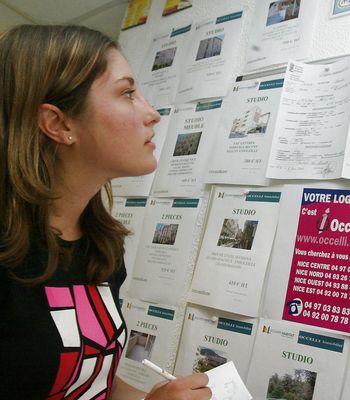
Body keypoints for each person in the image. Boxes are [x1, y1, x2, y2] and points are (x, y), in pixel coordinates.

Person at [0, 24, 212, 400]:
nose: (152, 114)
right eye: (127, 93)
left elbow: (90, 378)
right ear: (59, 123)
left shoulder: (100, 246)